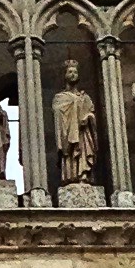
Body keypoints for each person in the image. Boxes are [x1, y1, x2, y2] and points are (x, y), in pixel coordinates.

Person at [51, 58, 99, 189]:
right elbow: (58, 114)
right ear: (65, 75)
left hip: (83, 134)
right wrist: (71, 117)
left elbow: (92, 112)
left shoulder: (85, 97)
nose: (73, 74)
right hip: (69, 135)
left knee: (84, 151)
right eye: (70, 72)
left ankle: (84, 176)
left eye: (75, 72)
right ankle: (70, 177)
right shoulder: (59, 98)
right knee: (70, 153)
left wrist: (88, 118)